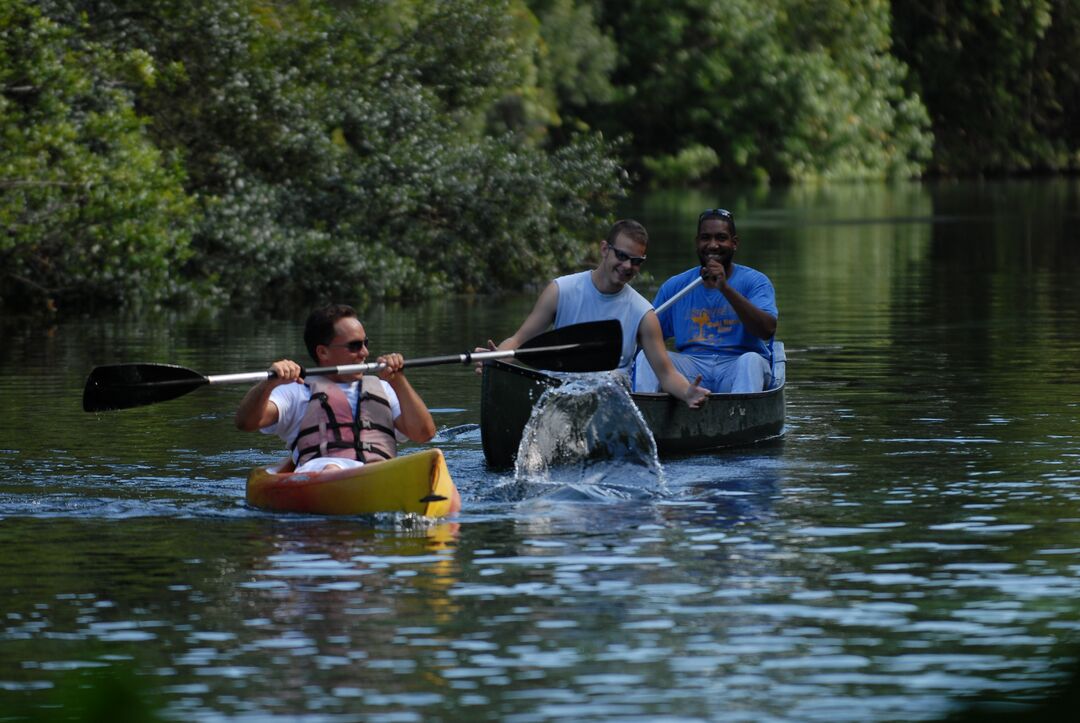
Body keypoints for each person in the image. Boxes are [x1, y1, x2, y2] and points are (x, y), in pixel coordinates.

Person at [479, 219, 709, 408]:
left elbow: (666, 374)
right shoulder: (560, 290)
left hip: (609, 398)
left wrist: (687, 393)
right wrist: (495, 360)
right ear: (604, 249)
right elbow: (519, 342)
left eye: (636, 261)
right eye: (622, 256)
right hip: (558, 390)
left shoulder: (644, 314)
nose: (628, 266)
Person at [235, 303, 439, 474]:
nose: (365, 352)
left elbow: (424, 434)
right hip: (323, 475)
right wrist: (268, 383)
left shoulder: (385, 388)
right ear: (323, 352)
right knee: (331, 468)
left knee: (404, 462)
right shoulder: (295, 391)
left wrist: (399, 380)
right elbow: (246, 422)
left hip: (379, 473)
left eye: (365, 343)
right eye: (355, 346)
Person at [633, 208, 778, 394]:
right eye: (705, 238)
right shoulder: (676, 286)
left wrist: (725, 288)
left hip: (738, 366)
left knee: (751, 361)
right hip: (691, 369)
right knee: (646, 357)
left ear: (734, 243)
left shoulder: (755, 282)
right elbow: (647, 336)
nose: (713, 245)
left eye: (721, 238)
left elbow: (766, 330)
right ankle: (647, 414)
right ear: (697, 242)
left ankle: (740, 420)